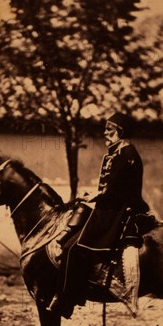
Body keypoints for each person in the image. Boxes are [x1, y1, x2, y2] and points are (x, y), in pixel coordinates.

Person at [49, 113, 150, 312]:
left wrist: (96, 196)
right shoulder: (117, 153)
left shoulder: (127, 155)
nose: (105, 133)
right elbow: (110, 188)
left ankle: (67, 299)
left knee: (74, 248)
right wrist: (95, 195)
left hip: (118, 211)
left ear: (120, 132)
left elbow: (116, 192)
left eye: (109, 130)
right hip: (109, 206)